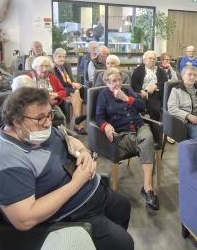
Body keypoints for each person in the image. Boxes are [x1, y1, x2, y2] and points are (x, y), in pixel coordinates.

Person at [0, 87, 134, 250]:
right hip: (70, 218)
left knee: (123, 206)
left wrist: (83, 151)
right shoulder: (5, 160)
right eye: (40, 118)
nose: (47, 123)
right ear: (16, 121)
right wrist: (76, 183)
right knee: (123, 247)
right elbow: (25, 219)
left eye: (49, 115)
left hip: (91, 195)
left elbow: (68, 139)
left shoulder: (34, 133)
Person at [95, 68, 159, 211]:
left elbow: (142, 106)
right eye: (113, 81)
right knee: (147, 142)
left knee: (147, 137)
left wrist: (126, 98)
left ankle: (147, 187)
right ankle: (148, 189)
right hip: (122, 133)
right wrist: (105, 125)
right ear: (107, 82)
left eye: (119, 80)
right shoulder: (103, 95)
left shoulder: (127, 90)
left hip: (139, 126)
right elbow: (99, 117)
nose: (118, 83)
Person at [52, 48, 87, 134]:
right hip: (60, 89)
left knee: (80, 91)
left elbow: (70, 79)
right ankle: (78, 124)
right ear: (54, 57)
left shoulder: (66, 65)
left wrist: (74, 83)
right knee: (76, 92)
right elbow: (59, 83)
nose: (62, 59)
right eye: (59, 57)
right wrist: (72, 84)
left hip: (68, 88)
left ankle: (78, 122)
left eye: (64, 57)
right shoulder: (52, 68)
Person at [130, 50, 167, 121]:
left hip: (157, 93)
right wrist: (141, 90)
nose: (152, 60)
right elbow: (134, 83)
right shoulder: (138, 70)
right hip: (143, 93)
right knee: (137, 107)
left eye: (154, 59)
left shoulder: (160, 70)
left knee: (156, 110)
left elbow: (165, 80)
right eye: (150, 58)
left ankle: (155, 124)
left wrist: (156, 85)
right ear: (144, 60)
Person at [30, 56, 69, 125]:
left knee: (61, 118)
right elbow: (24, 95)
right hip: (35, 107)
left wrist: (56, 94)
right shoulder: (28, 78)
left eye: (47, 66)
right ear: (35, 67)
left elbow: (64, 92)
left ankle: (60, 131)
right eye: (41, 66)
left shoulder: (52, 77)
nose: (44, 69)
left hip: (51, 106)